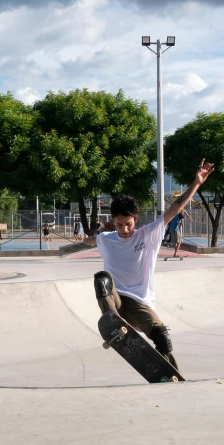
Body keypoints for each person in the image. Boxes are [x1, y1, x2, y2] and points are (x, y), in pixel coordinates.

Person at [83, 158, 215, 371]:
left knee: (162, 336)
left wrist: (196, 183)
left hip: (140, 302)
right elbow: (93, 240)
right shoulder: (106, 239)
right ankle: (114, 325)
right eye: (119, 225)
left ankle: (173, 372)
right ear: (113, 222)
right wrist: (84, 241)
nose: (124, 229)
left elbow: (176, 206)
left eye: (128, 224)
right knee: (102, 279)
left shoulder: (149, 235)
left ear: (135, 220)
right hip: (115, 301)